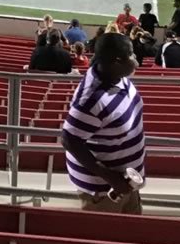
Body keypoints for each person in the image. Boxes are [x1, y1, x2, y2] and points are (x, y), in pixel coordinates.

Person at [61, 32, 145, 214]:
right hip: (104, 192)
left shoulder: (117, 77)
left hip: (126, 183)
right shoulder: (92, 99)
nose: (135, 57)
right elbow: (69, 139)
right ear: (116, 62)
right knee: (107, 240)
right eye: (131, 54)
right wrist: (110, 177)